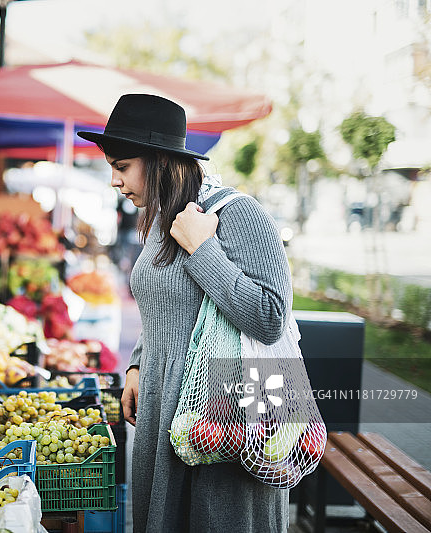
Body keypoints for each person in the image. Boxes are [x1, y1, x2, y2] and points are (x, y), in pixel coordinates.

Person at [78, 94, 292, 532]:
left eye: (121, 166)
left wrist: (203, 249)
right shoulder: (162, 219)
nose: (114, 181)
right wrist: (138, 362)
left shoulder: (238, 214)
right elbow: (165, 302)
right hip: (163, 406)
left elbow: (269, 317)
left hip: (221, 413)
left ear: (158, 161)